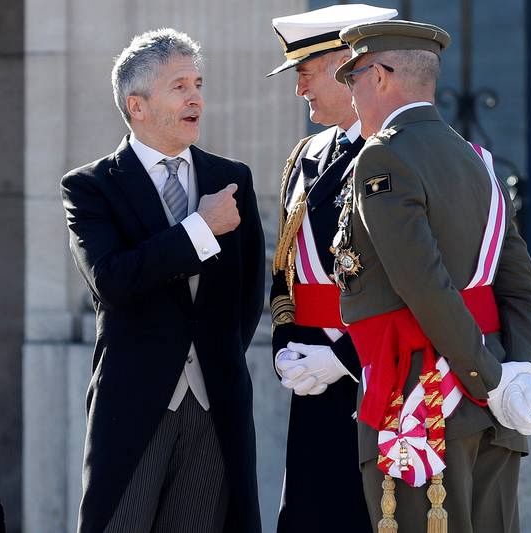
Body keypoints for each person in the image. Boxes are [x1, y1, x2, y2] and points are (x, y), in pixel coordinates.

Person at [330, 20, 531, 533]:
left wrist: (489, 381)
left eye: (353, 78)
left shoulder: (382, 156)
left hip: (424, 401)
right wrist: (520, 377)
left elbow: (423, 284)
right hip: (493, 409)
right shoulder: (479, 161)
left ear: (381, 76)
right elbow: (524, 290)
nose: (351, 94)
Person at [61, 29, 264, 533]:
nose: (196, 96)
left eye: (198, 83)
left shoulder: (231, 177)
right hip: (135, 405)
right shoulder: (90, 187)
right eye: (179, 86)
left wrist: (216, 358)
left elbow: (248, 295)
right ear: (137, 105)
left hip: (215, 404)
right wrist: (199, 229)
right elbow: (111, 279)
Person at [265, 4, 396, 532]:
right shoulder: (306, 154)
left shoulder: (396, 152)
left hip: (379, 374)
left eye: (305, 73)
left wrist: (343, 355)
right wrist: (285, 344)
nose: (300, 90)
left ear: (347, 65)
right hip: (312, 381)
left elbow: (414, 282)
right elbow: (285, 266)